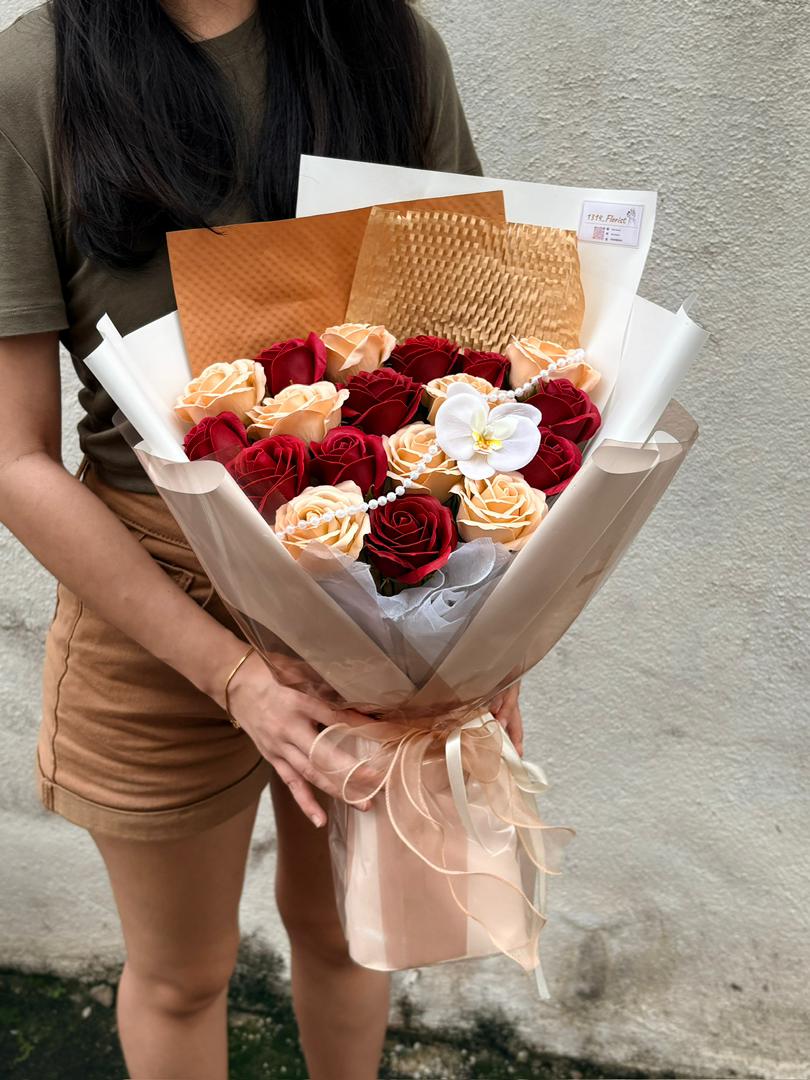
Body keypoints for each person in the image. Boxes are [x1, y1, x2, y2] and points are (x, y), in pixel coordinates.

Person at [0, 1, 523, 1077]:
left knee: (351, 930)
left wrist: (492, 638)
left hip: (382, 577)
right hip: (148, 592)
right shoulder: (35, 78)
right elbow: (15, 457)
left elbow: (481, 379)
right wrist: (230, 673)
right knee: (183, 975)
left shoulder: (389, 45)